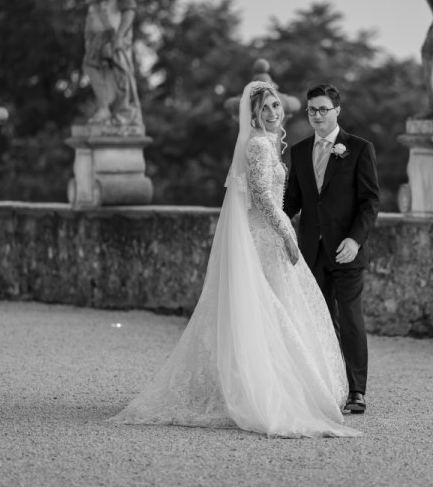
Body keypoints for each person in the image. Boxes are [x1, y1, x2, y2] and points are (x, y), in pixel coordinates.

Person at [110, 81, 358, 438]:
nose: (274, 113)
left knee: (278, 310)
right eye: (266, 109)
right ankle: (262, 390)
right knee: (268, 311)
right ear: (254, 116)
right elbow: (261, 197)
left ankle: (272, 383)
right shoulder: (258, 145)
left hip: (269, 235)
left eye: (276, 106)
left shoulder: (267, 143)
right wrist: (287, 233)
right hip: (264, 236)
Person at [283, 84, 380, 415]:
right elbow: (292, 202)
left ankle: (356, 391)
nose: (317, 115)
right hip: (310, 252)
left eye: (323, 109)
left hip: (346, 250)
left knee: (350, 319)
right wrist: (265, 216)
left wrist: (355, 240)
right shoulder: (298, 151)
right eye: (312, 110)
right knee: (318, 321)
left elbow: (370, 202)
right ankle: (326, 387)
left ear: (337, 111)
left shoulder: (359, 148)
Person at [83, 0, 142, 127]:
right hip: (96, 36)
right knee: (92, 67)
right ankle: (104, 108)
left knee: (119, 74)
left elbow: (129, 10)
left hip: (112, 34)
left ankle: (122, 111)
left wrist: (119, 37)